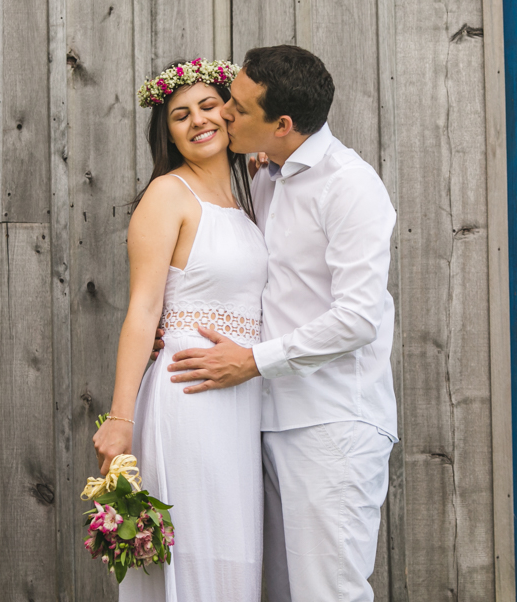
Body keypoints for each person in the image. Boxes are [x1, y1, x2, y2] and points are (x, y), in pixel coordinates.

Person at [165, 44, 398, 602]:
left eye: (237, 110)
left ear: (283, 125)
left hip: (330, 423)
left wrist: (250, 361)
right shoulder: (266, 173)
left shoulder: (349, 186)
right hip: (262, 421)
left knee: (328, 593)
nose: (222, 114)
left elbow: (358, 318)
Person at [93, 58, 267, 601]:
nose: (198, 121)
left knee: (233, 548)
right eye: (179, 115)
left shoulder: (251, 197)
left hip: (243, 396)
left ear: (231, 111)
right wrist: (120, 420)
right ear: (166, 133)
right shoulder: (169, 195)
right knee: (194, 547)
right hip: (188, 393)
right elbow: (143, 311)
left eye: (209, 106)